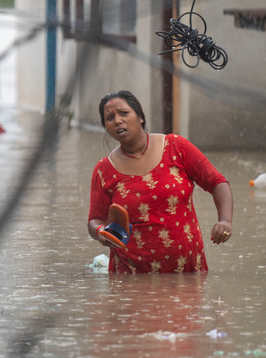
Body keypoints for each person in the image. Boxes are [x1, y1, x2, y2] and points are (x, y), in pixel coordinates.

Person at [87, 90, 233, 273]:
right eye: (109, 118)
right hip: (131, 275)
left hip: (186, 271)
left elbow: (218, 183)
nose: (117, 121)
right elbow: (95, 219)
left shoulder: (176, 147)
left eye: (124, 113)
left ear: (140, 117)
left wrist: (225, 220)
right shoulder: (104, 170)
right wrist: (101, 232)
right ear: (106, 127)